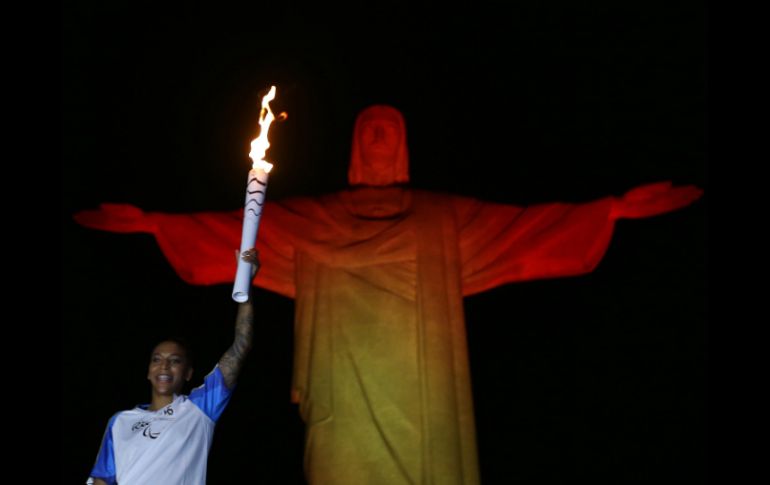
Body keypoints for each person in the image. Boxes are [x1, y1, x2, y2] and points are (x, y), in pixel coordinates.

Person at [75, 105, 702, 485]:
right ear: (356, 148)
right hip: (342, 398)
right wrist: (157, 225)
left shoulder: (441, 219)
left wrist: (612, 211)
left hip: (422, 393)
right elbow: (233, 230)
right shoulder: (319, 218)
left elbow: (526, 228)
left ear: (401, 143)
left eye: (387, 131)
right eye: (367, 131)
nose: (377, 139)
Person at [86, 249, 261, 485]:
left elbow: (240, 346)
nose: (165, 366)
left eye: (175, 361)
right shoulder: (120, 421)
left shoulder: (199, 409)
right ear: (148, 371)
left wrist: (246, 288)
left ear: (188, 373)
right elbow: (102, 480)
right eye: (157, 359)